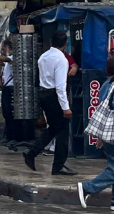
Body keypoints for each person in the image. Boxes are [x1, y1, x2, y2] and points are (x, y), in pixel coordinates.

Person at [77, 54, 114, 212]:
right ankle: (87, 187)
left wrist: (100, 136)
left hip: (109, 131)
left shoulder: (105, 85)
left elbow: (102, 111)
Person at [24, 31, 76, 177]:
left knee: (53, 128)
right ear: (65, 44)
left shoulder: (43, 57)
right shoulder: (61, 60)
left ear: (51, 42)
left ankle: (32, 152)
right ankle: (58, 165)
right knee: (62, 131)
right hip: (54, 95)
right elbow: (60, 86)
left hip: (44, 94)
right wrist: (66, 108)